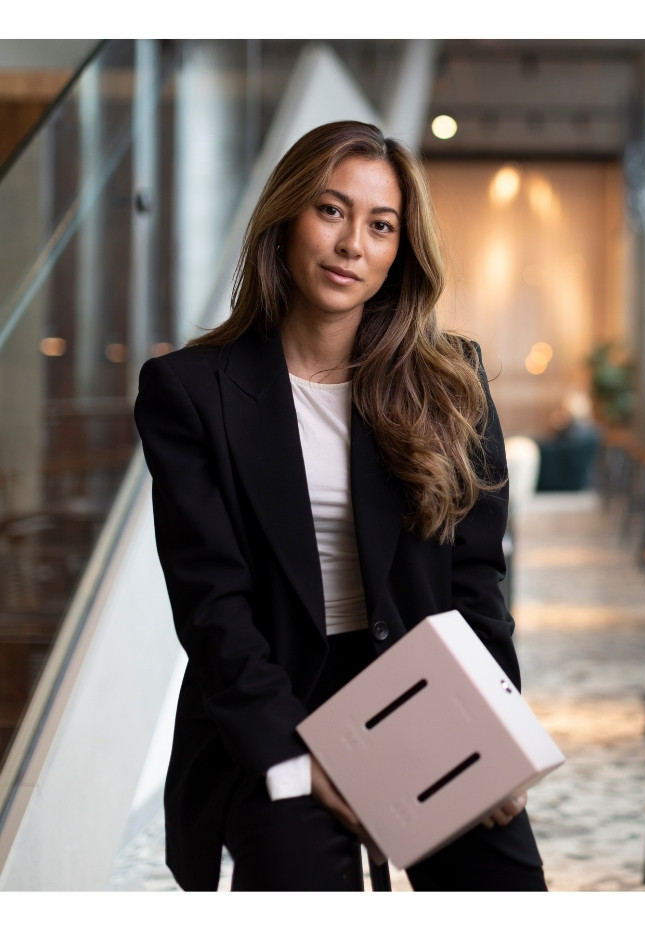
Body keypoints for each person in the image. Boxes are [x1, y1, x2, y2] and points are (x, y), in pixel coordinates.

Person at [134, 120, 547, 892]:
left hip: (426, 691)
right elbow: (213, 607)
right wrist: (290, 754)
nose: (352, 243)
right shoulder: (191, 392)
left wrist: (498, 736)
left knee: (502, 879)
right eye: (330, 211)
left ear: (399, 251)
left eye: (380, 225)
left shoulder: (449, 378)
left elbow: (475, 583)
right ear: (285, 220)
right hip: (275, 697)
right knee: (302, 868)